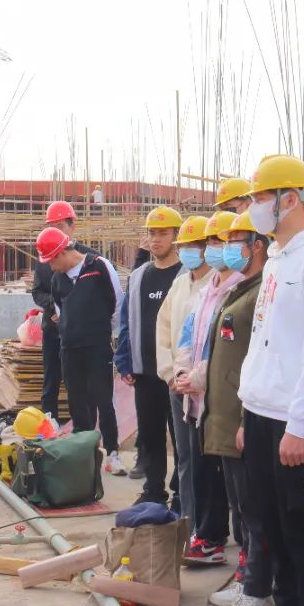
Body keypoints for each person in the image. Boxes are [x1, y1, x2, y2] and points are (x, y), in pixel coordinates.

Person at [237, 155, 304, 606]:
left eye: (261, 198)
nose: (254, 207)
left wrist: (299, 425)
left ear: (289, 200)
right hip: (261, 413)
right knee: (270, 531)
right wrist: (247, 410)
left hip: (294, 421)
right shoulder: (276, 261)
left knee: (301, 533)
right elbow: (262, 339)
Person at [199, 211, 274, 606]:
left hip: (244, 417)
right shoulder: (241, 288)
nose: (227, 249)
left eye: (235, 241)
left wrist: (246, 418)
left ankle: (258, 586)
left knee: (254, 509)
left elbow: (262, 356)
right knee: (240, 507)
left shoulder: (263, 290)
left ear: (257, 245)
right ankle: (248, 578)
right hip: (225, 415)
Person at [157, 215, 231, 565]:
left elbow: (217, 344)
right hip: (180, 383)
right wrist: (173, 372)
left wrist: (195, 376)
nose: (188, 251)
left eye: (194, 245)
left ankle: (212, 529)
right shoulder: (180, 285)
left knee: (210, 461)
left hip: (208, 387)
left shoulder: (219, 286)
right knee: (186, 459)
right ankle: (192, 521)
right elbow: (166, 330)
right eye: (183, 246)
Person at [37, 226, 126, 474]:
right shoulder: (57, 280)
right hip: (69, 349)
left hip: (97, 347)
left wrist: (102, 331)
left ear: (62, 253)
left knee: (104, 400)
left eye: (51, 261)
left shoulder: (98, 267)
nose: (51, 267)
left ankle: (112, 453)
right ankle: (85, 455)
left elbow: (118, 302)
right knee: (77, 403)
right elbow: (60, 311)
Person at [115, 206, 184, 505]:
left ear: (176, 236)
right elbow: (127, 321)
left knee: (181, 439)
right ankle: (153, 490)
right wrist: (124, 361)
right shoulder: (140, 276)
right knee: (151, 436)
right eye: (152, 233)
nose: (156, 239)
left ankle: (182, 491)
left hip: (177, 375)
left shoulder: (187, 275)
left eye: (163, 233)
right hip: (146, 372)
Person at [30, 200, 94, 421]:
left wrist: (69, 310)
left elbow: (99, 295)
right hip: (53, 329)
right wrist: (54, 306)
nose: (56, 231)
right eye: (51, 227)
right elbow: (37, 291)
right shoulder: (43, 260)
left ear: (72, 226)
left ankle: (85, 428)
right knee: (51, 380)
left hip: (82, 334)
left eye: (60, 226)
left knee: (82, 382)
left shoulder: (89, 258)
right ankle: (49, 424)